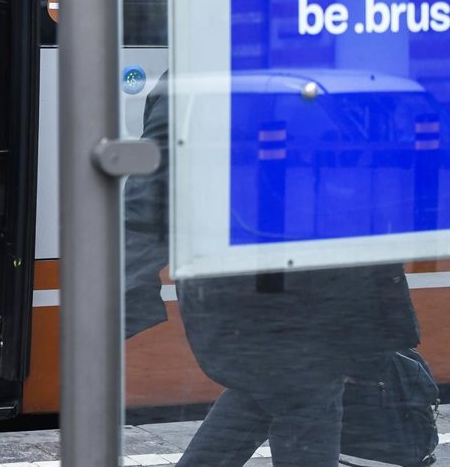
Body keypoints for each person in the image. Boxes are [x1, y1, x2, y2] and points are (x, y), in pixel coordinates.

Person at [124, 73, 421, 467]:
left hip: (314, 283)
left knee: (265, 394)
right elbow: (154, 184)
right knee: (304, 396)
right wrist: (129, 281)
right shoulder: (207, 63)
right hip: (269, 291)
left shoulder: (325, 66)